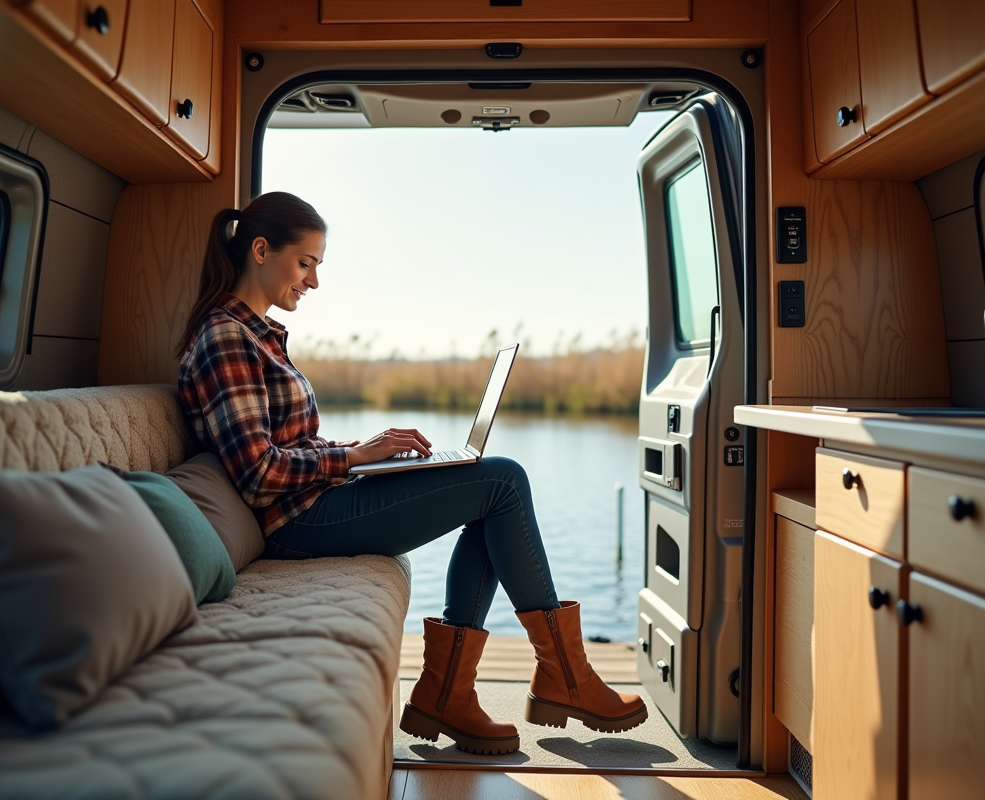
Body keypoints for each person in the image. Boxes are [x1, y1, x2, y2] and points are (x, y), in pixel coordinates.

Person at [176, 192, 647, 755]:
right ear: (260, 250)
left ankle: (456, 692)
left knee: (493, 497)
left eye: (316, 268)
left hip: (319, 500)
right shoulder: (227, 338)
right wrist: (353, 459)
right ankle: (562, 678)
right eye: (306, 264)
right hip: (298, 523)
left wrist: (365, 450)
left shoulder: (255, 334)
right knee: (502, 481)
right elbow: (257, 472)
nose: (313, 282)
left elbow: (287, 444)